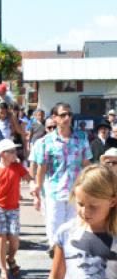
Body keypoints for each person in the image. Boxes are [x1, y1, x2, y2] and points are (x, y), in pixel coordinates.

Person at [48, 164, 117, 279]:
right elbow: (56, 278)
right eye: (80, 204)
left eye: (93, 206)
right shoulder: (66, 232)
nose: (85, 211)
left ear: (112, 201)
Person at [32, 102, 92, 249]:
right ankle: (57, 265)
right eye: (63, 114)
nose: (67, 117)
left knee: (75, 230)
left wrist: (95, 182)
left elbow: (86, 164)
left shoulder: (81, 137)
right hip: (54, 193)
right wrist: (37, 191)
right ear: (55, 118)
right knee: (55, 233)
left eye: (69, 114)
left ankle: (70, 267)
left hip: (76, 192)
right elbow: (42, 168)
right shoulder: (45, 142)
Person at [0, 139, 31, 279]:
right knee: (1, 238)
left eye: (15, 151)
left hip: (13, 208)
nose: (15, 154)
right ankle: (3, 270)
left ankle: (11, 258)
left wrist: (33, 185)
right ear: (2, 154)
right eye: (11, 152)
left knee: (14, 239)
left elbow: (28, 178)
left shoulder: (17, 167)